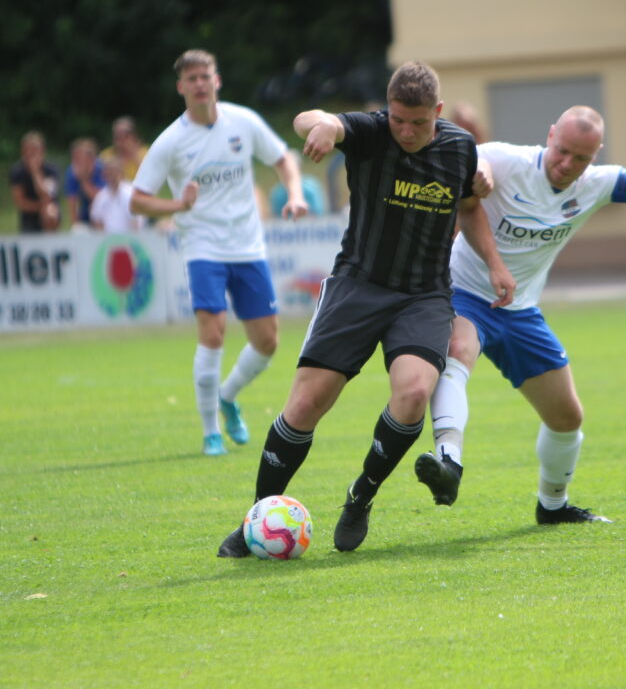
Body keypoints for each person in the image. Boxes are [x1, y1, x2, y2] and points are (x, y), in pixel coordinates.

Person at [411, 107, 626, 525]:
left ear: (595, 154)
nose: (567, 164)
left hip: (520, 310)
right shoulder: (508, 160)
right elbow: (479, 163)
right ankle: (449, 462)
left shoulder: (596, 184)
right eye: (562, 151)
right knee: (458, 351)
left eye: (580, 158)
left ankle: (552, 506)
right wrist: (480, 174)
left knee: (567, 417)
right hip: (465, 292)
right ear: (550, 136)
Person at [216, 61, 515, 557]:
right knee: (306, 405)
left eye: (418, 122)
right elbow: (312, 119)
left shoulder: (460, 148)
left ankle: (361, 497)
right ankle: (254, 520)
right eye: (398, 119)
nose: (406, 131)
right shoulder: (372, 132)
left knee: (414, 393)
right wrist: (323, 126)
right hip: (357, 286)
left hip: (423, 295)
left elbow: (469, 207)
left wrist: (496, 265)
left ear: (437, 112)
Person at [130, 49, 309, 457]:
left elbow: (283, 158)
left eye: (205, 76)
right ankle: (211, 432)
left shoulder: (243, 122)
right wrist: (178, 205)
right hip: (203, 248)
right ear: (181, 87)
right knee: (212, 334)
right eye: (191, 78)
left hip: (248, 246)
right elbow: (137, 200)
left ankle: (227, 397)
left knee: (267, 342)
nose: (199, 84)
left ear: (217, 80)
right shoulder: (171, 141)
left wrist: (295, 194)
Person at [9, 131, 61, 233]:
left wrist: (36, 173)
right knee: (45, 210)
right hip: (29, 214)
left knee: (50, 213)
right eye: (26, 151)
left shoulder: (51, 170)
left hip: (49, 211)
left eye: (34, 151)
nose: (29, 154)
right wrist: (40, 207)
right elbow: (20, 202)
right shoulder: (17, 172)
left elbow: (47, 196)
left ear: (42, 151)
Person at [89, 155, 145, 233]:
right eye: (108, 172)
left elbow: (136, 222)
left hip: (129, 237)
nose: (111, 175)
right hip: (107, 238)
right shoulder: (100, 197)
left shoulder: (131, 193)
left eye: (114, 172)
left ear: (121, 172)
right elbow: (97, 221)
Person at [65, 137, 105, 230]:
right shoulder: (72, 172)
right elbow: (72, 201)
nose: (75, 163)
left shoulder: (103, 170)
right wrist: (76, 225)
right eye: (74, 158)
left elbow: (100, 200)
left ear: (91, 159)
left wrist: (83, 180)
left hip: (106, 216)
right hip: (85, 217)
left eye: (78, 158)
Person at [101, 116, 150, 181]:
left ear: (134, 136)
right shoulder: (106, 155)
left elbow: (149, 175)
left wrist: (133, 154)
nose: (122, 140)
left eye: (126, 136)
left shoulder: (145, 153)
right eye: (118, 136)